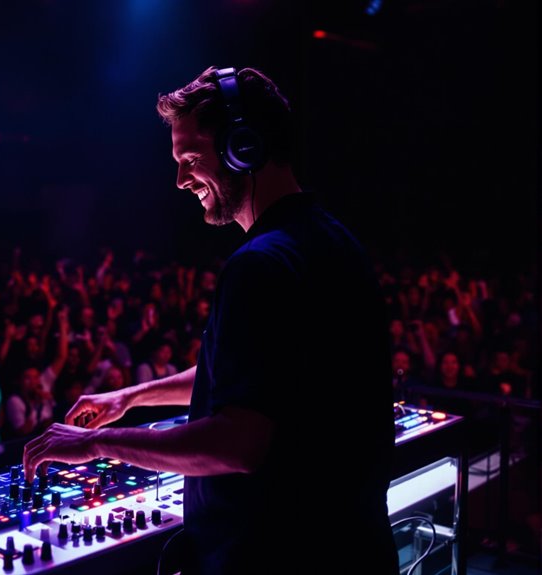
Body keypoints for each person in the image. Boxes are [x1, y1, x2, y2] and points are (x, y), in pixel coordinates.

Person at [23, 66, 398, 573]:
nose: (180, 180)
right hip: (350, 547)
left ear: (244, 147)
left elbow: (238, 443)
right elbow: (265, 377)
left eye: (191, 159)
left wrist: (95, 444)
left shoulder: (260, 265)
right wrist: (130, 398)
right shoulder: (335, 244)